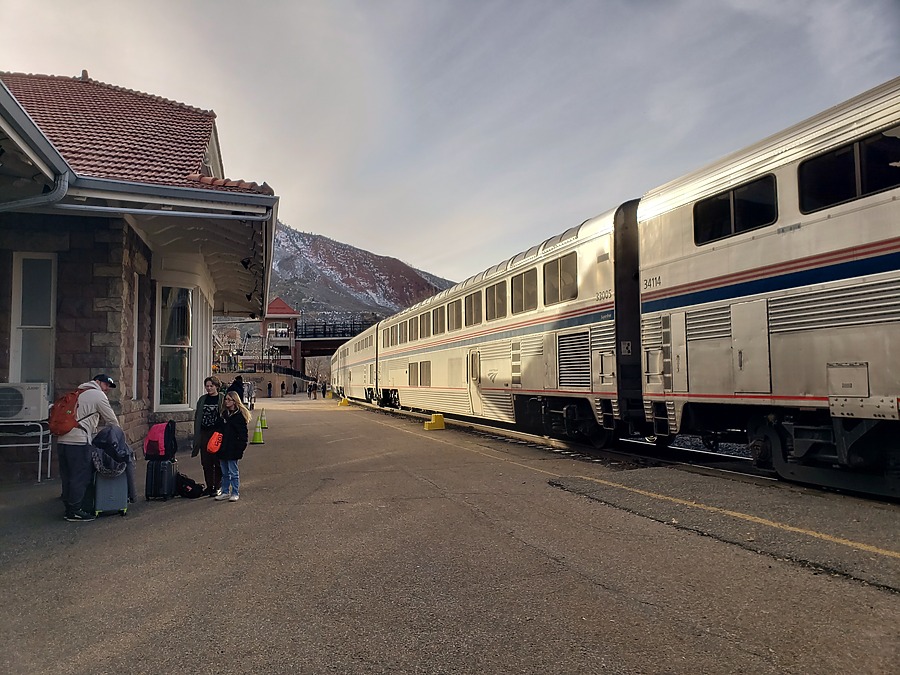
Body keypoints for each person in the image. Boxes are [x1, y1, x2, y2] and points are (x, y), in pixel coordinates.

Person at [56, 374, 120, 522]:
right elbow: (112, 420)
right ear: (97, 382)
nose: (107, 389)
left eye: (109, 386)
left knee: (67, 475)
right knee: (80, 476)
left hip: (62, 440)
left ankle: (68, 505)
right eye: (105, 384)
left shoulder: (77, 393)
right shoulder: (98, 395)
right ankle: (75, 511)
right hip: (79, 441)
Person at [214, 390, 250, 502]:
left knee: (233, 472)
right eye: (226, 399)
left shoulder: (239, 416)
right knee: (224, 472)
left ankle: (235, 492)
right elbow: (218, 430)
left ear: (235, 401)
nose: (226, 402)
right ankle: (225, 491)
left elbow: (243, 435)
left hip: (233, 447)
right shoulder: (223, 415)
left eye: (229, 400)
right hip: (222, 447)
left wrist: (240, 448)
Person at [192, 375, 225, 496]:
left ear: (216, 386)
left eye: (211, 386)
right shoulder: (202, 399)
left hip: (216, 432)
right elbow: (198, 416)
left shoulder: (221, 398)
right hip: (204, 432)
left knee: (217, 460)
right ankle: (209, 486)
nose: (209, 388)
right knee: (206, 461)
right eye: (207, 386)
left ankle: (217, 486)